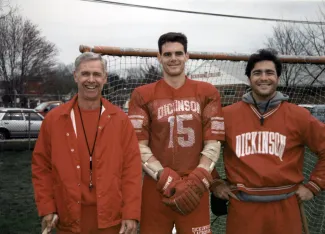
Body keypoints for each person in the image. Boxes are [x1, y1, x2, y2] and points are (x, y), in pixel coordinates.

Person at [212, 49, 325, 234]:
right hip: (243, 206)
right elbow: (200, 150)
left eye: (269, 72)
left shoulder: (299, 116)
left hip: (286, 205)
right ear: (249, 78)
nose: (263, 78)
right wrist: (215, 183)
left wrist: (314, 186)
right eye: (257, 73)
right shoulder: (227, 115)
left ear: (278, 78)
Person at [32, 52, 142, 234]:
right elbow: (41, 167)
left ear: (105, 78)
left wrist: (131, 212)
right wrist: (47, 207)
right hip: (68, 219)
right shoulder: (54, 119)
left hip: (111, 220)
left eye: (97, 74)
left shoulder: (120, 120)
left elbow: (132, 170)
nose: (91, 80)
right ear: (75, 76)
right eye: (85, 74)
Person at [128, 32, 225, 234]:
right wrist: (163, 175)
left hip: (194, 186)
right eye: (168, 54)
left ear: (187, 56)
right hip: (156, 185)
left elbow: (214, 140)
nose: (173, 58)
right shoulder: (142, 94)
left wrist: (199, 176)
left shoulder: (207, 92)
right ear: (159, 57)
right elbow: (137, 143)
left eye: (178, 53)